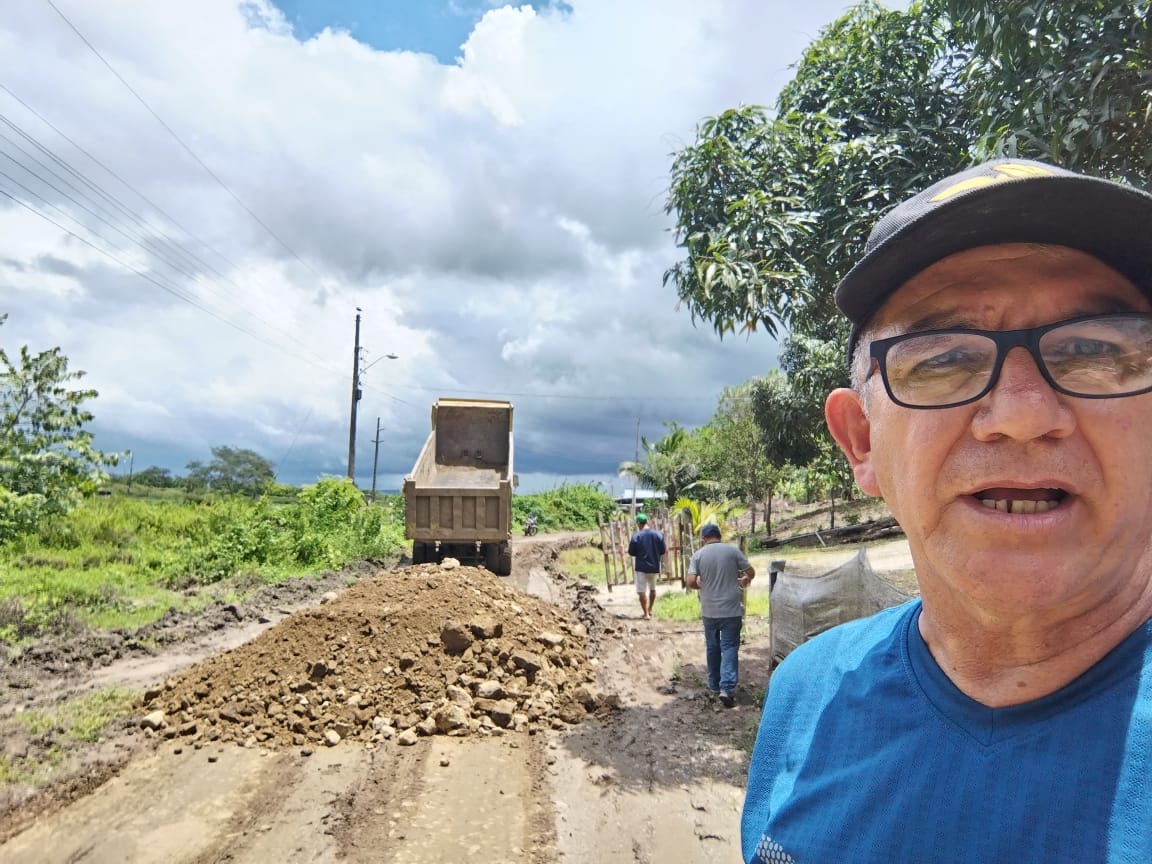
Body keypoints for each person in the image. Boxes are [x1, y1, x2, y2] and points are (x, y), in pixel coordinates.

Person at [741, 158, 1152, 863]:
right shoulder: (804, 695)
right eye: (941, 360)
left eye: (1093, 349)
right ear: (862, 441)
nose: (1022, 415)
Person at [686, 522, 755, 708]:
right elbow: (750, 572)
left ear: (704, 538)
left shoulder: (698, 555)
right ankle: (727, 689)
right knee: (730, 647)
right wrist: (746, 579)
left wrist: (701, 584)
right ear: (719, 536)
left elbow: (690, 581)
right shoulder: (732, 551)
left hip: (709, 611)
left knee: (712, 647)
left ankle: (714, 684)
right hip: (731, 610)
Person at [627, 512, 665, 619]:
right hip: (654, 566)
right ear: (647, 522)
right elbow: (662, 550)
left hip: (641, 567)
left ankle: (646, 614)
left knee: (641, 590)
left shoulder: (636, 536)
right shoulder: (658, 535)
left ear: (638, 523)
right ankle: (650, 609)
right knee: (653, 589)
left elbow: (631, 552)